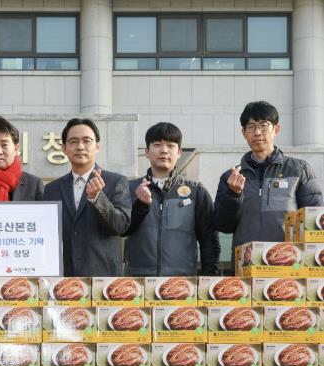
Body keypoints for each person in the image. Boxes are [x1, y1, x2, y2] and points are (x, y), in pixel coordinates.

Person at [214, 101, 323, 251]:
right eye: (251, 127)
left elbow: (316, 223)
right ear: (244, 132)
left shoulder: (299, 170)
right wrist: (234, 195)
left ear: (276, 129)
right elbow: (223, 226)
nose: (257, 132)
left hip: (290, 260)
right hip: (246, 261)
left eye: (264, 125)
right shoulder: (231, 177)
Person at [124, 122, 220, 276]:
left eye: (170, 145)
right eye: (157, 145)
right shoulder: (130, 189)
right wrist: (140, 205)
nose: (164, 150)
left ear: (179, 152)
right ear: (147, 151)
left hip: (182, 282)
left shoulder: (196, 192)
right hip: (139, 281)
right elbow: (121, 230)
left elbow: (209, 241)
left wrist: (208, 278)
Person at [43, 118, 131, 276]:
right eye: (73, 141)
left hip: (102, 278)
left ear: (97, 146)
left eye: (86, 141)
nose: (80, 147)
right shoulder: (52, 189)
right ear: (64, 148)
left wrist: (98, 199)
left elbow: (121, 226)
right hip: (63, 276)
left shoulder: (116, 182)